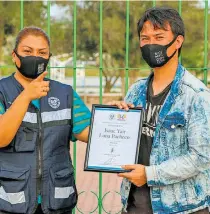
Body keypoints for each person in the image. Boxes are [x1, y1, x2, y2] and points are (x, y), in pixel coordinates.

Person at [111, 7, 210, 214]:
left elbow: (202, 157)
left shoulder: (196, 95)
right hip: (134, 205)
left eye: (159, 36)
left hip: (181, 208)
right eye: (145, 38)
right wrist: (114, 119)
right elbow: (125, 143)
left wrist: (150, 174)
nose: (151, 44)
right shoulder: (135, 90)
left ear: (178, 41)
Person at [0, 26, 90, 214]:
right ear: (14, 55)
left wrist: (115, 117)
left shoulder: (65, 93)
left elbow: (88, 132)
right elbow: (2, 138)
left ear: (49, 57)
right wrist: (25, 96)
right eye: (27, 51)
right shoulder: (2, 91)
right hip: (11, 201)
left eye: (42, 52)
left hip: (57, 201)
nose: (35, 57)